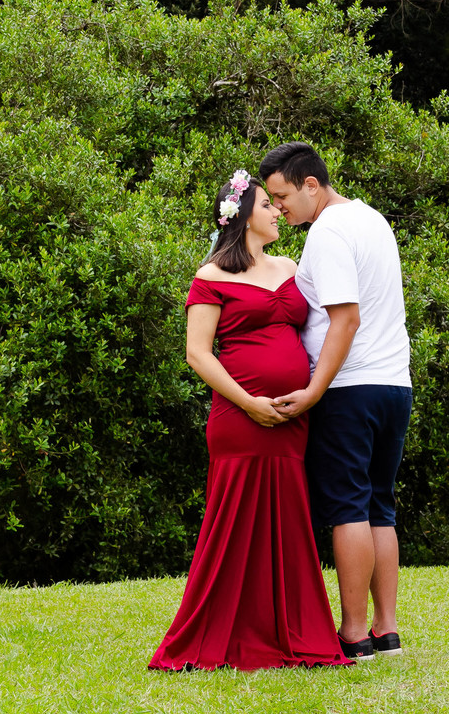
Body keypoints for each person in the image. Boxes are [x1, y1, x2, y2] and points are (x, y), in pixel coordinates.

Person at [148, 169, 352, 672]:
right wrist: (249, 403)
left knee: (287, 520)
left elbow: (329, 318)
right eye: (267, 205)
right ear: (241, 218)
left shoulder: (290, 266)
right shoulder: (211, 276)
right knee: (234, 521)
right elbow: (198, 354)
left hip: (292, 416)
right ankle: (218, 633)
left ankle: (290, 631)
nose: (278, 211)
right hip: (240, 418)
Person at [259, 143, 413, 661]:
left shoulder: (326, 232)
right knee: (380, 507)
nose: (279, 208)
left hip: (351, 387)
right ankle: (386, 629)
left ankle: (353, 633)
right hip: (395, 384)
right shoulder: (373, 219)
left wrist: (314, 390)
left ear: (311, 184)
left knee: (349, 507)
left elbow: (345, 318)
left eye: (282, 197)